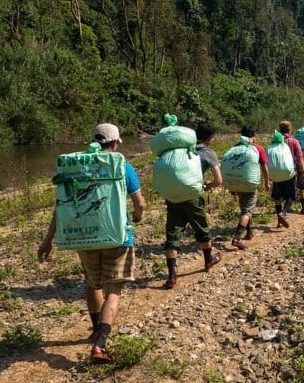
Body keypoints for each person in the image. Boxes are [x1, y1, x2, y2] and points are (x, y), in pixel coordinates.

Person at [38, 123, 146, 363]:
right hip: (118, 237)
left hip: (85, 238)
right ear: (116, 143)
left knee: (92, 284)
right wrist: (138, 216)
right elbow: (139, 203)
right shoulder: (122, 166)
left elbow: (61, 208)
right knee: (114, 290)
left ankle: (95, 328)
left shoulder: (78, 168)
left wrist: (47, 240)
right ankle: (100, 344)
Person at [161, 121, 223, 290]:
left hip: (173, 197)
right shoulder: (207, 153)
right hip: (194, 197)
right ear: (211, 137)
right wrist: (207, 186)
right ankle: (208, 260)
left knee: (173, 234)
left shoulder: (179, 151)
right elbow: (218, 180)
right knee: (202, 230)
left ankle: (172, 276)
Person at [229, 125, 270, 250]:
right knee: (247, 211)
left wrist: (231, 185)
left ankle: (249, 232)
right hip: (250, 183)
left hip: (236, 182)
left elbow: (230, 165)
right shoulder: (257, 148)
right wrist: (267, 182)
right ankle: (237, 238)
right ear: (253, 135)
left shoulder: (235, 148)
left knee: (244, 208)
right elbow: (264, 167)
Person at [277, 120, 304, 214]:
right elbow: (300, 158)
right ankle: (303, 207)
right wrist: (303, 172)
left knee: (279, 193)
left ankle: (279, 213)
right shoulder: (294, 141)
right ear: (290, 129)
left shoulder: (276, 141)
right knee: (300, 187)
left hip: (279, 169)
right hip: (292, 169)